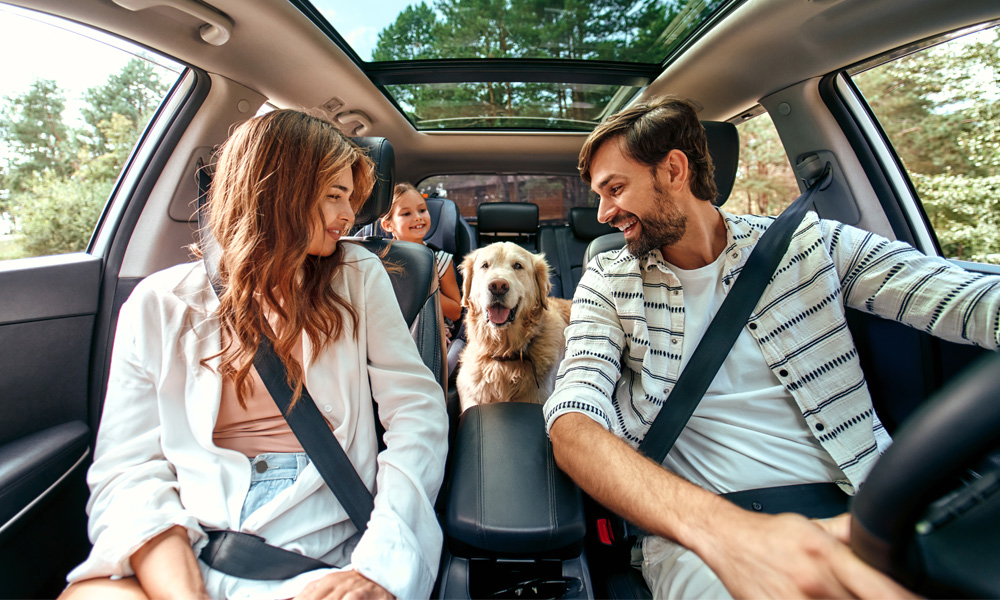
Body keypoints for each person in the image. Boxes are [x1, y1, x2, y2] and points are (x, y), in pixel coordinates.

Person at [544, 95, 1000, 598]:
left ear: (674, 170)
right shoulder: (607, 280)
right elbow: (573, 421)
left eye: (615, 189)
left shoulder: (808, 243)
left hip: (866, 509)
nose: (604, 212)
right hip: (703, 532)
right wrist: (731, 535)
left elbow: (963, 297)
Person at [60, 110, 448, 600]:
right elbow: (129, 469)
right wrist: (183, 590)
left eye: (350, 198)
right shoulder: (158, 303)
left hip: (318, 550)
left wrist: (380, 566)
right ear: (272, 191)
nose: (349, 217)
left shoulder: (358, 275)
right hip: (189, 539)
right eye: (334, 196)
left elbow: (417, 412)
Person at [380, 183, 463, 342]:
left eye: (422, 210)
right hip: (389, 331)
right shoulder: (379, 261)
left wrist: (422, 289)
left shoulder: (440, 260)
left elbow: (455, 312)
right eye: (406, 213)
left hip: (430, 332)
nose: (418, 217)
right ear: (388, 224)